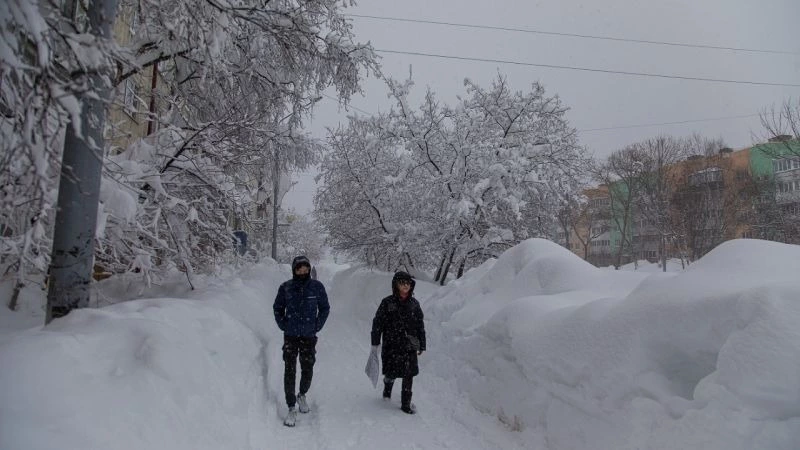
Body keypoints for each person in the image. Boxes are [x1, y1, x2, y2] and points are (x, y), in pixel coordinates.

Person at [273, 255, 330, 427]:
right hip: (290, 336)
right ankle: (291, 406)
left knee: (307, 367)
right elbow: (277, 308)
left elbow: (325, 308)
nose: (303, 271)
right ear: (294, 270)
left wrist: (316, 325)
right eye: (299, 268)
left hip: (308, 336)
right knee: (289, 370)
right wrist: (284, 325)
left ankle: (302, 394)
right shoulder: (286, 287)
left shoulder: (317, 287)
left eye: (305, 268)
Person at [370, 271, 426, 414]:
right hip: (391, 344)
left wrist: (422, 344)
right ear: (396, 285)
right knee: (391, 372)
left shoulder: (414, 304)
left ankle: (405, 404)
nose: (405, 286)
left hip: (410, 345)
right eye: (402, 283)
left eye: (408, 283)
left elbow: (420, 325)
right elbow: (378, 323)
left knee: (409, 374)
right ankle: (387, 389)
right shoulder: (387, 302)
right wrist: (375, 342)